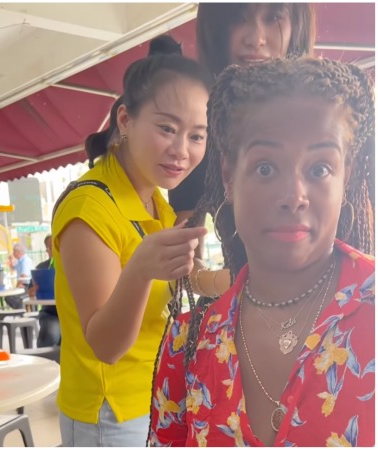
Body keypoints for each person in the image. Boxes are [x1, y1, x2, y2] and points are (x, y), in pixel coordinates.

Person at [150, 57, 375, 447]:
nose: (294, 197)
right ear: (229, 176)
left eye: (320, 168)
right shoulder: (189, 340)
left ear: (347, 176)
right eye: (267, 168)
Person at [52, 35, 212, 447]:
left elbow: (178, 284)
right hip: (110, 413)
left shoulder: (155, 200)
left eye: (197, 136)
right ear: (124, 120)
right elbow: (105, 344)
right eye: (166, 128)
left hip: (158, 395)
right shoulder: (89, 206)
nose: (181, 150)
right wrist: (140, 269)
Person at [169, 4, 316, 254]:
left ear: (297, 26)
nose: (255, 39)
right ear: (214, 29)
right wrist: (229, 283)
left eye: (273, 18)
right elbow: (187, 259)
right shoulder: (203, 126)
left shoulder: (326, 112)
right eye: (238, 19)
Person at [28, 235, 61, 347]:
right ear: (47, 250)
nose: (56, 250)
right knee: (51, 332)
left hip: (73, 312)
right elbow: (30, 291)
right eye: (51, 247)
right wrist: (32, 292)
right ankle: (43, 359)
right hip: (50, 312)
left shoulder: (73, 266)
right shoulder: (41, 268)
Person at [6, 242, 33, 309]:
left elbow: (23, 276)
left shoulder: (25, 261)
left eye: (14, 251)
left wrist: (16, 286)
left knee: (10, 297)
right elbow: (13, 268)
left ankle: (21, 309)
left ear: (18, 252)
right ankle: (21, 309)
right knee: (8, 296)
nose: (13, 253)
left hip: (27, 286)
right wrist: (10, 260)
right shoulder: (19, 261)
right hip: (22, 285)